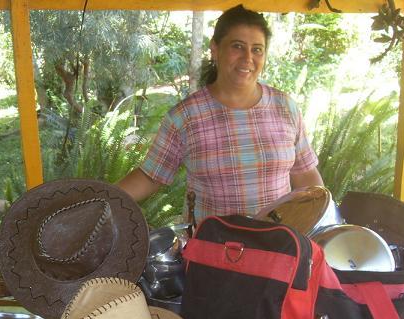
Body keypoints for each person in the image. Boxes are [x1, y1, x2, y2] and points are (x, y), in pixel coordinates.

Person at [117, 4, 323, 224]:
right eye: (237, 46)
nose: (248, 58)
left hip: (276, 242)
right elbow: (150, 177)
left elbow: (305, 175)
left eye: (257, 49)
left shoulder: (285, 107)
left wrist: (325, 222)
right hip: (212, 244)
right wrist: (99, 199)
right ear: (215, 49)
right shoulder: (185, 116)